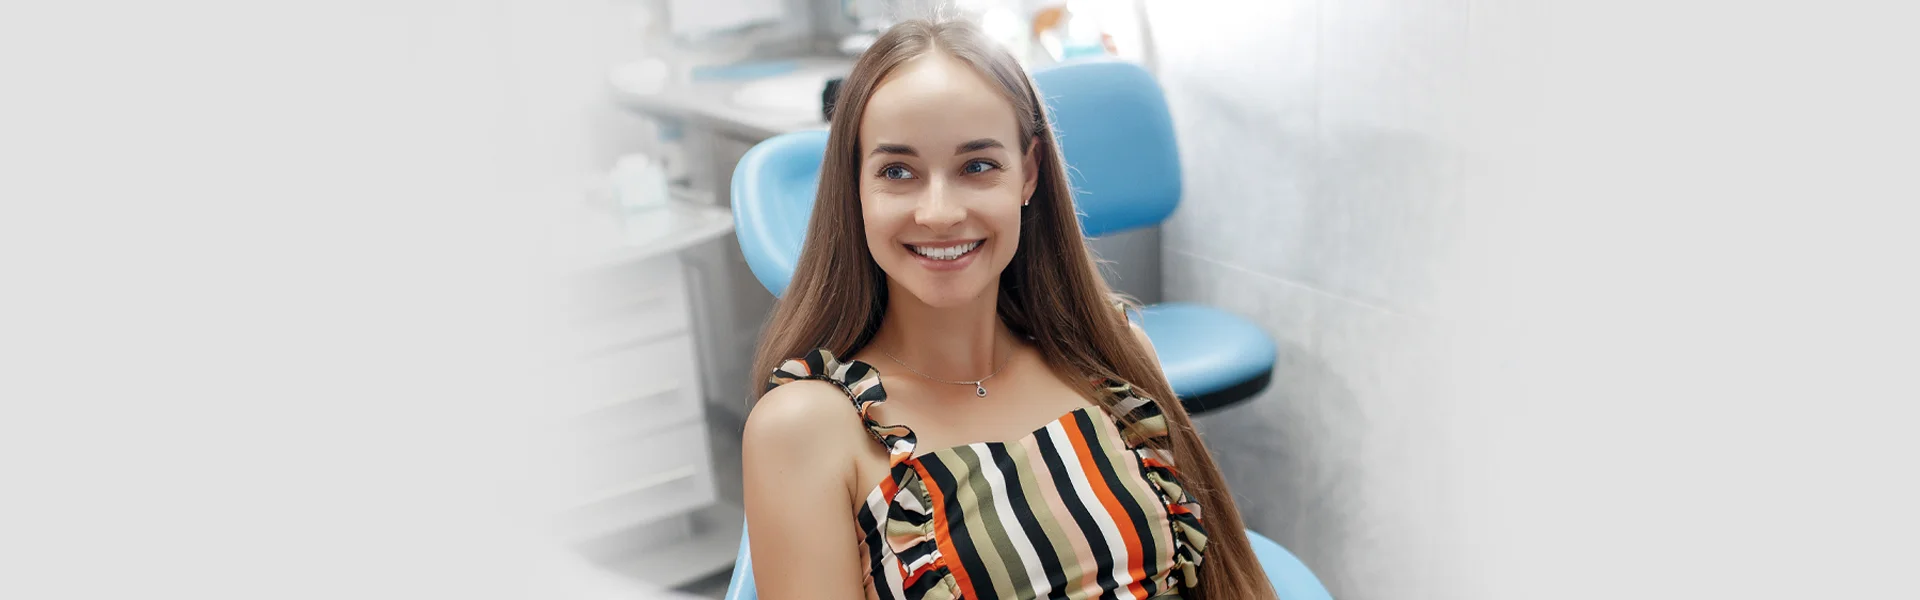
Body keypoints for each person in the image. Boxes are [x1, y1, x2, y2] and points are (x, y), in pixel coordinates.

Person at [741, 17, 1278, 600]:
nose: (939, 212)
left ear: (1029, 173)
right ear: (855, 186)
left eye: (977, 166)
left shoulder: (1112, 359)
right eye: (898, 172)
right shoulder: (806, 430)